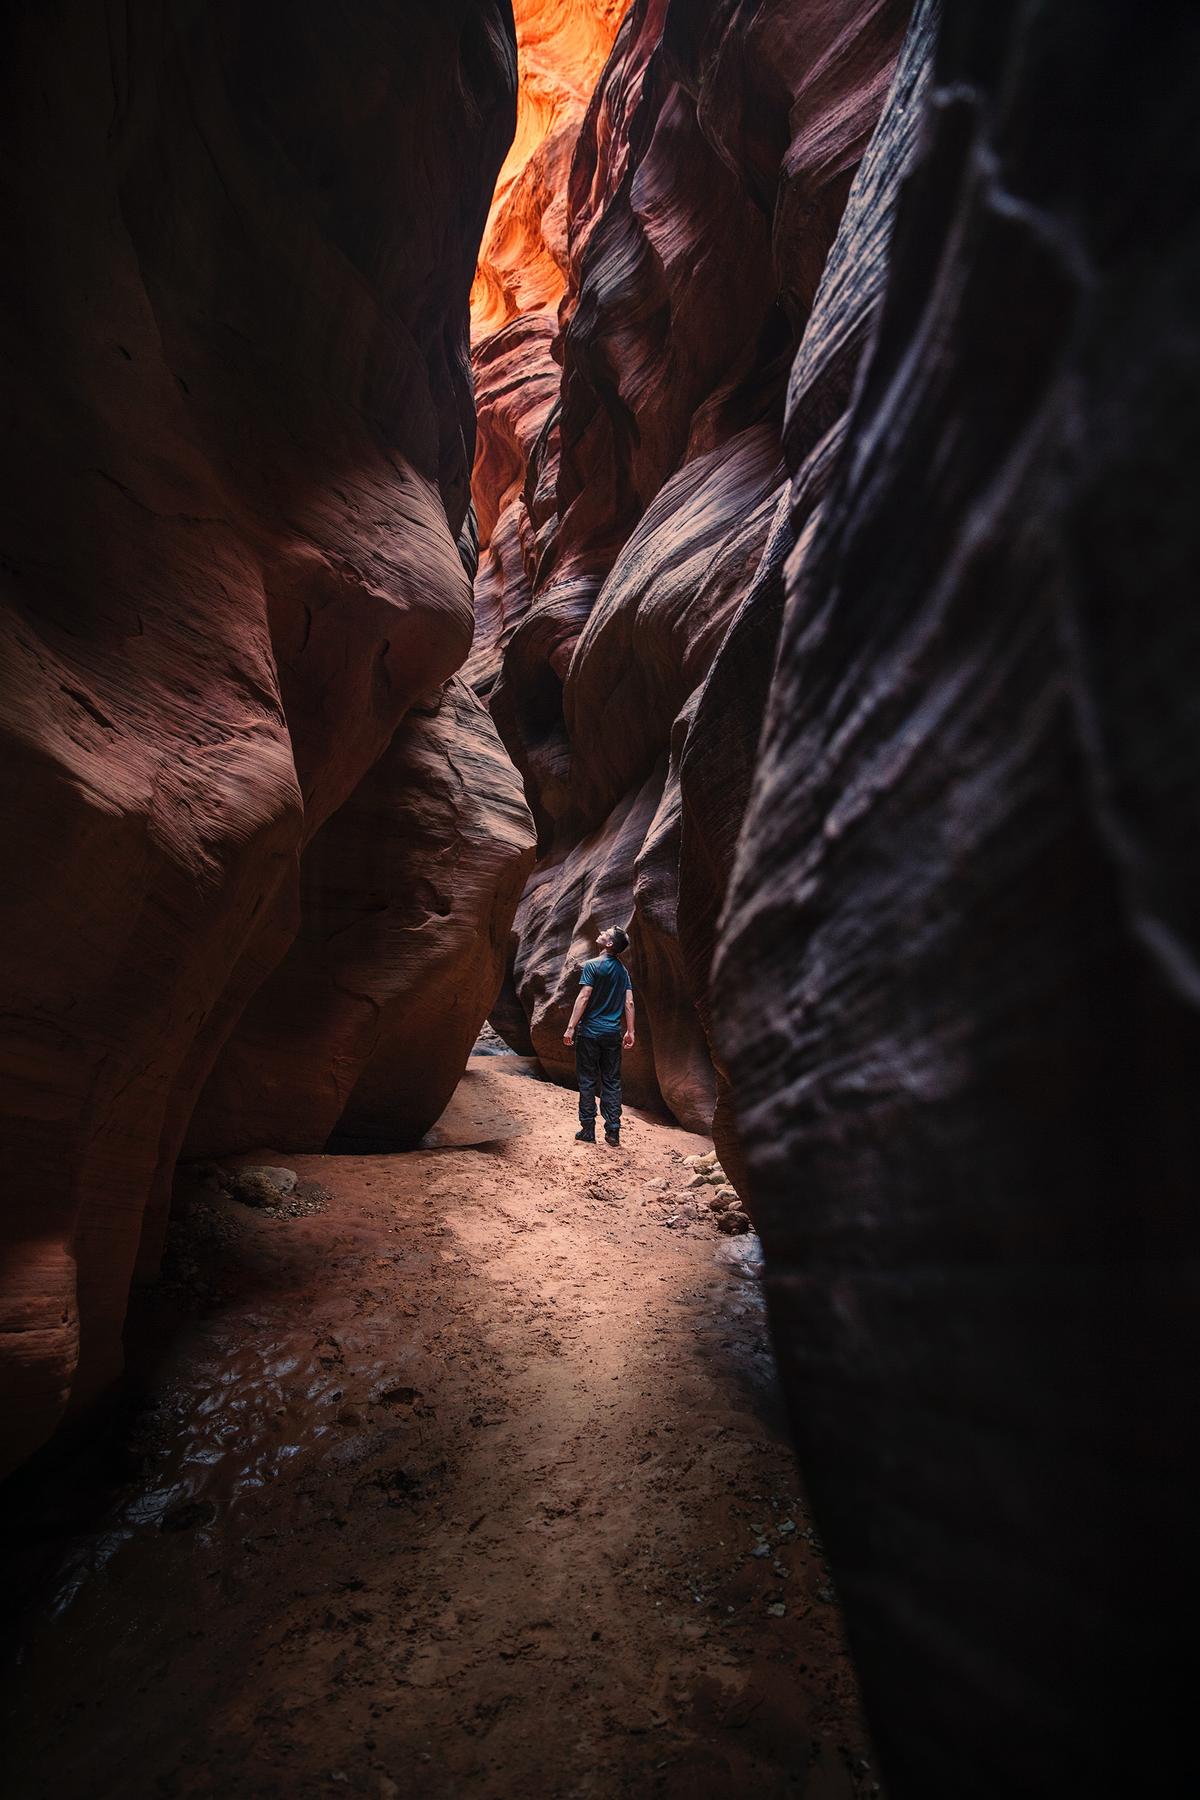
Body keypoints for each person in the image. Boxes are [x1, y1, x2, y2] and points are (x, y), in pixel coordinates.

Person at [562, 925, 635, 1146]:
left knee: (587, 1081)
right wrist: (631, 1031)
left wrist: (571, 1027)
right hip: (612, 1034)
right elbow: (629, 1002)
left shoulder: (593, 966)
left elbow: (584, 997)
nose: (602, 932)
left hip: (590, 1033)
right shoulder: (623, 972)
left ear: (610, 944)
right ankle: (613, 1131)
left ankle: (587, 1130)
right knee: (611, 1082)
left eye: (606, 933)